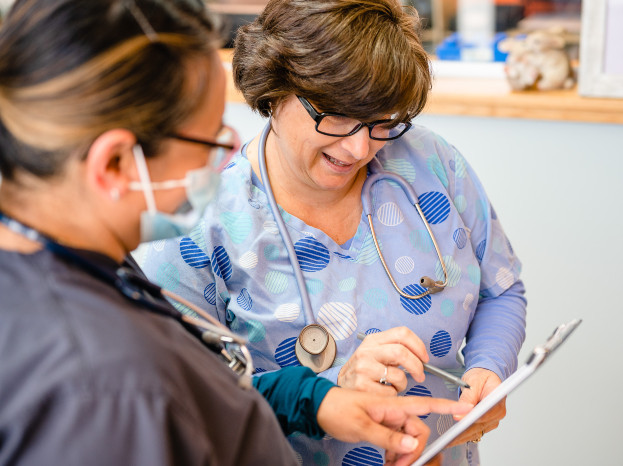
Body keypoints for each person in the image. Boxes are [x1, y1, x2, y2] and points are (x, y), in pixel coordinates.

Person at [0, 1, 470, 465]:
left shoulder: (66, 266)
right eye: (209, 141)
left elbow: (197, 389)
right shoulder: (105, 386)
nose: (227, 159)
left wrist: (311, 398)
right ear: (117, 164)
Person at [139, 0, 527, 464]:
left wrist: (488, 368)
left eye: (381, 120)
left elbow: (501, 289)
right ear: (273, 89)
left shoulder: (430, 163)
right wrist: (330, 387)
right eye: (336, 116)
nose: (359, 147)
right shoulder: (201, 225)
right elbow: (180, 401)